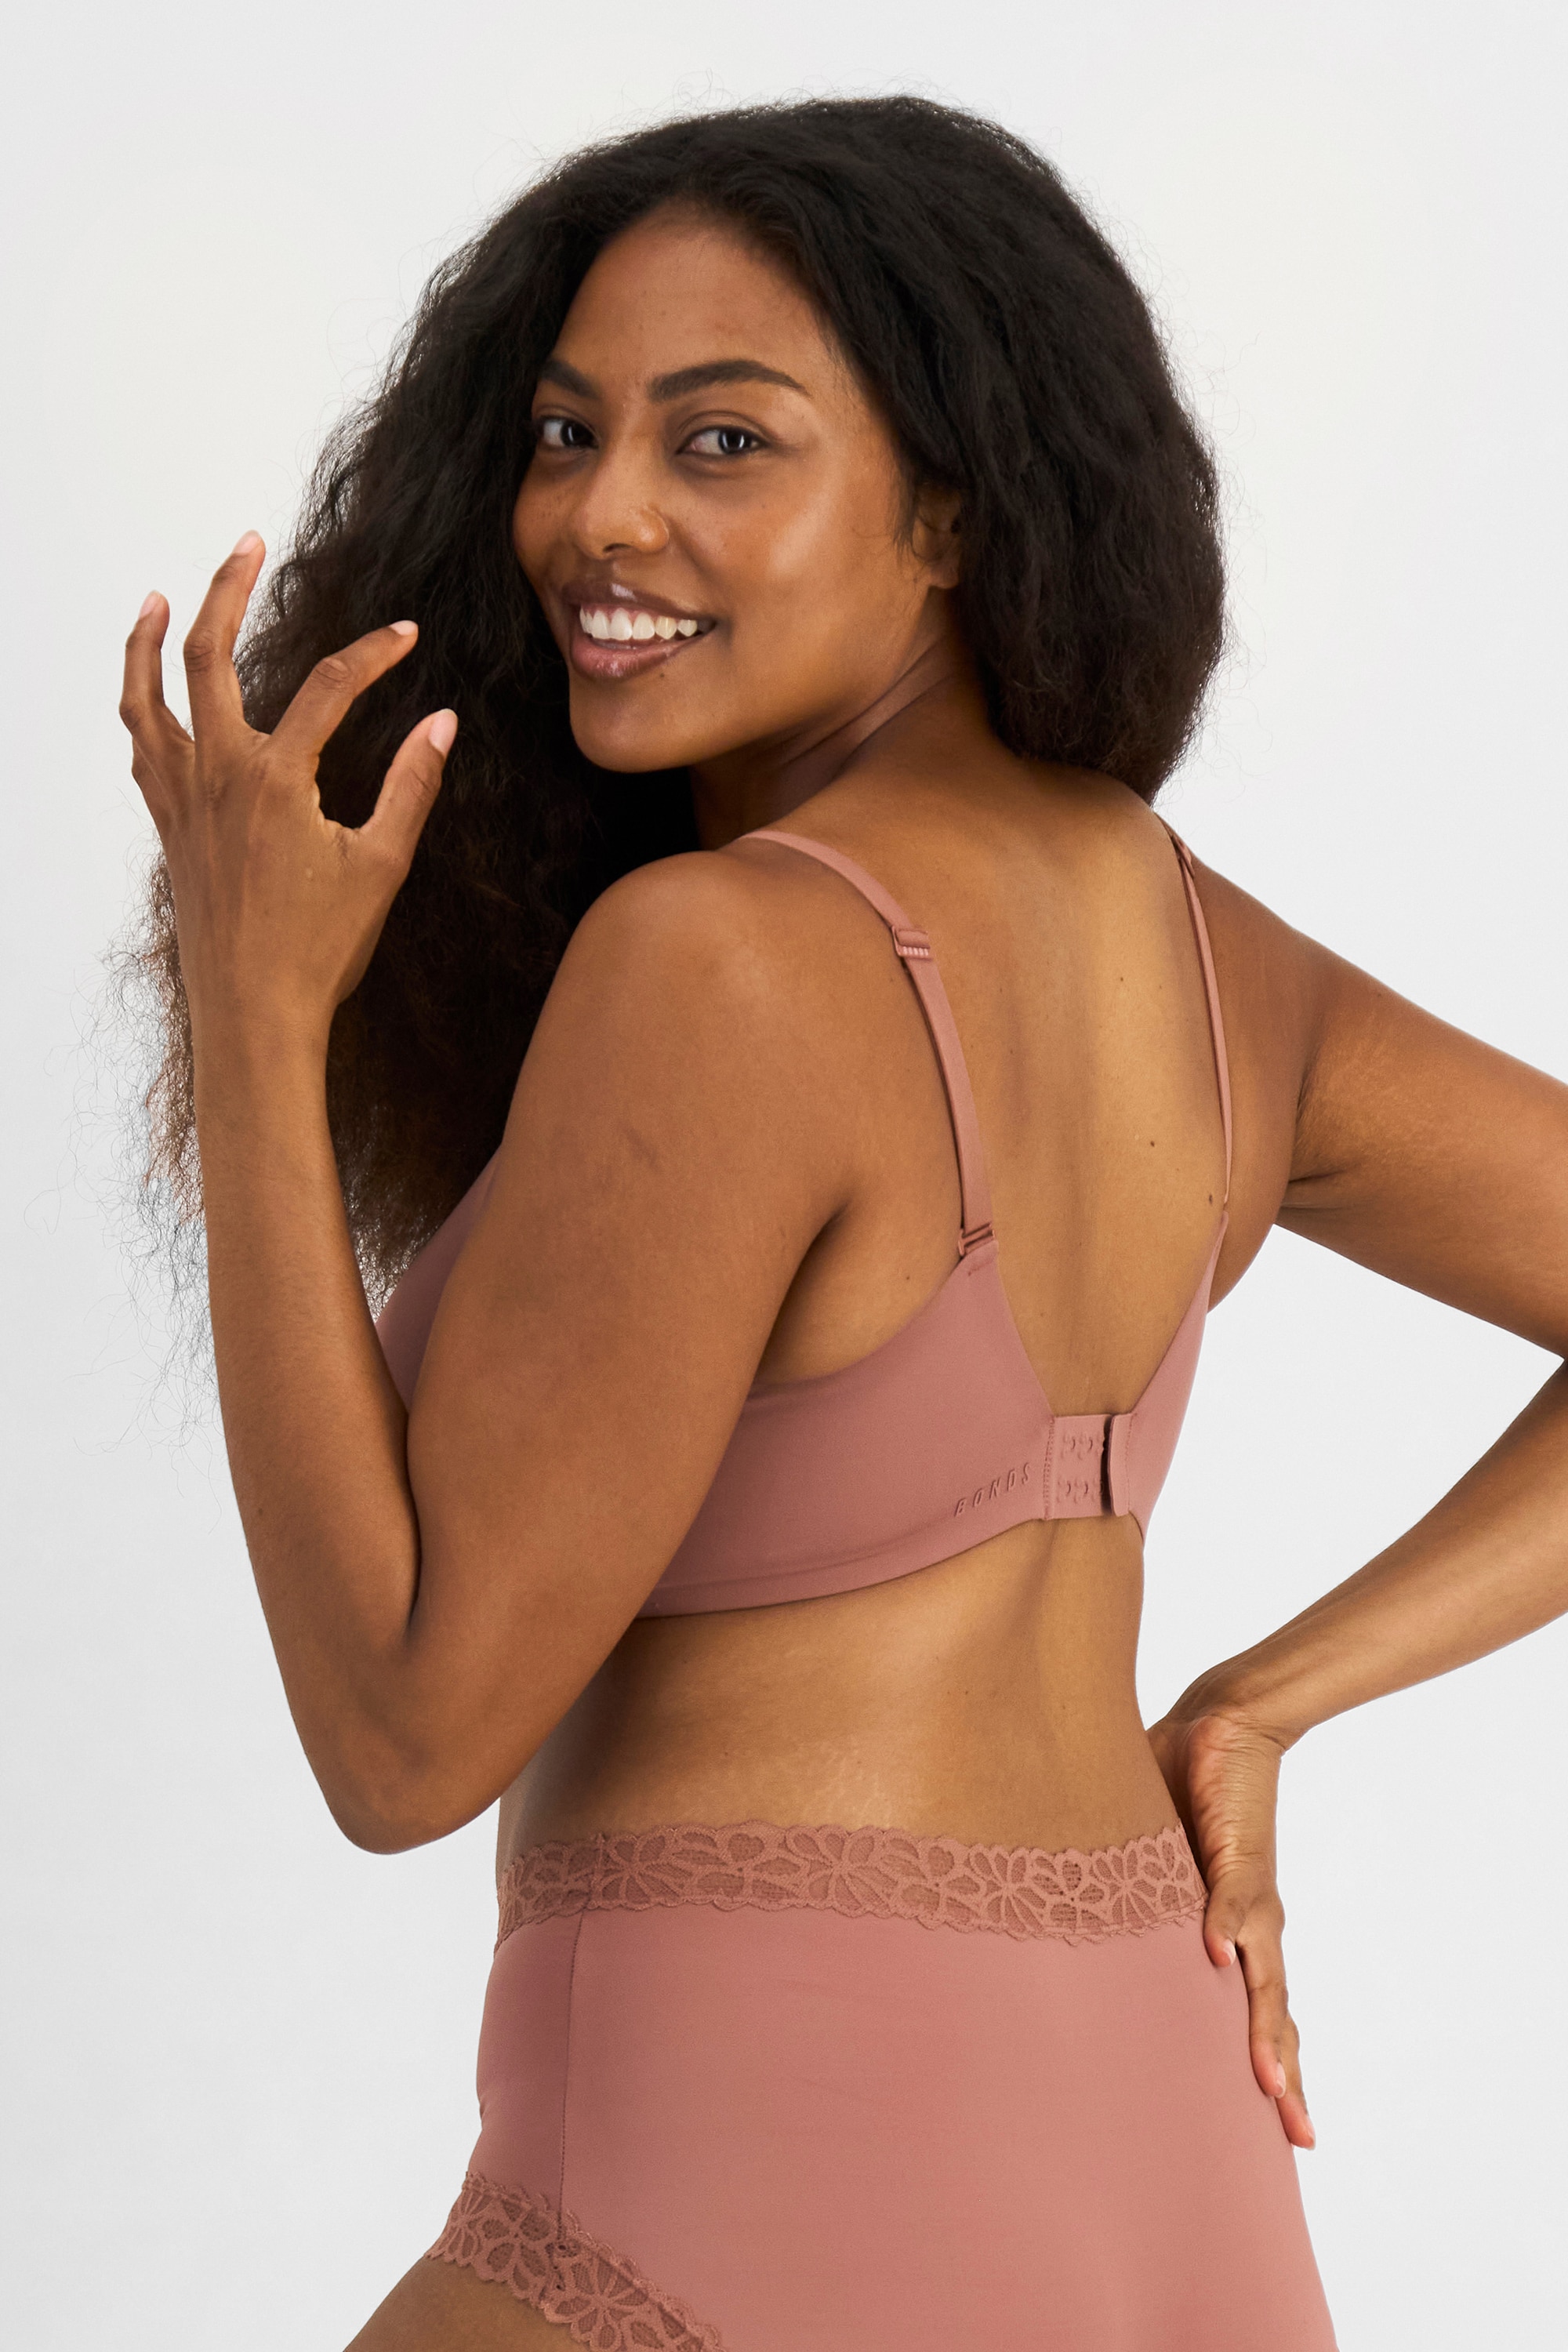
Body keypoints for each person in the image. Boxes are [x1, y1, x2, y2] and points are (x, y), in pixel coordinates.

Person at [117, 96, 1568, 2352]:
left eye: (722, 441)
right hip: (1172, 2145)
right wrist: (1256, 1710)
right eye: (567, 433)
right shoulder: (1203, 952)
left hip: (754, 2150)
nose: (600, 516)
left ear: (954, 511)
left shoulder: (725, 964)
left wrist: (254, 1010)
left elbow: (400, 1740)